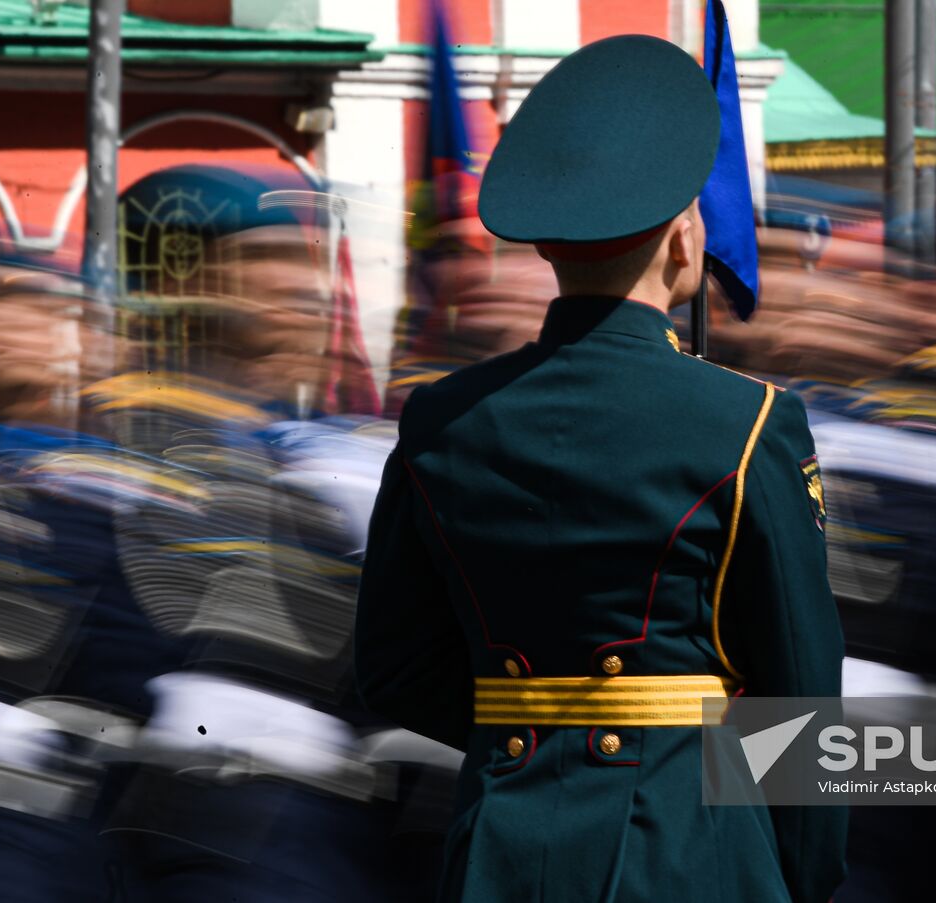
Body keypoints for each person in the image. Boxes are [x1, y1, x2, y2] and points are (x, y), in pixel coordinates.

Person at [354, 34, 847, 903]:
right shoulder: (750, 421)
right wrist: (801, 876)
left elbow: (394, 665)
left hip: (498, 851)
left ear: (548, 246)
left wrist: (537, 734)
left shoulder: (441, 421)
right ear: (683, 239)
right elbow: (799, 689)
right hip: (692, 848)